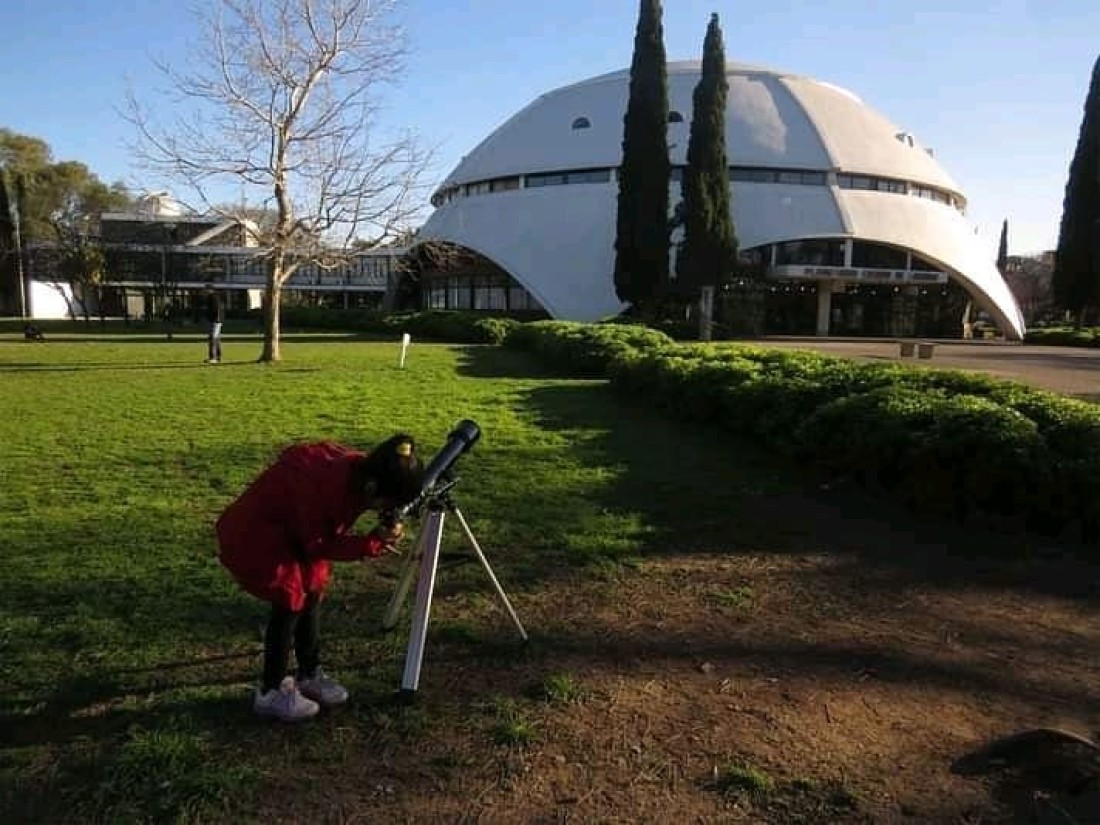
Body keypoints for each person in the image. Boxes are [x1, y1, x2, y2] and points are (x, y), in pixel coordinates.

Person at [216, 433, 425, 721]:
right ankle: (270, 691)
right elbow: (320, 545)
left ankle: (309, 673)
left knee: (313, 589)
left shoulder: (362, 472)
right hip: (258, 535)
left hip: (293, 532)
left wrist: (384, 527)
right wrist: (372, 543)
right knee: (290, 600)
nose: (383, 510)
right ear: (371, 487)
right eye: (385, 503)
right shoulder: (322, 488)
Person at [204, 286, 225, 363]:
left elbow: (216, 309)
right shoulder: (216, 297)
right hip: (217, 320)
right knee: (216, 338)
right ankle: (218, 356)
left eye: (206, 290)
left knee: (212, 338)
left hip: (215, 320)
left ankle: (213, 357)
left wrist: (215, 319)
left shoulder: (213, 298)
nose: (204, 292)